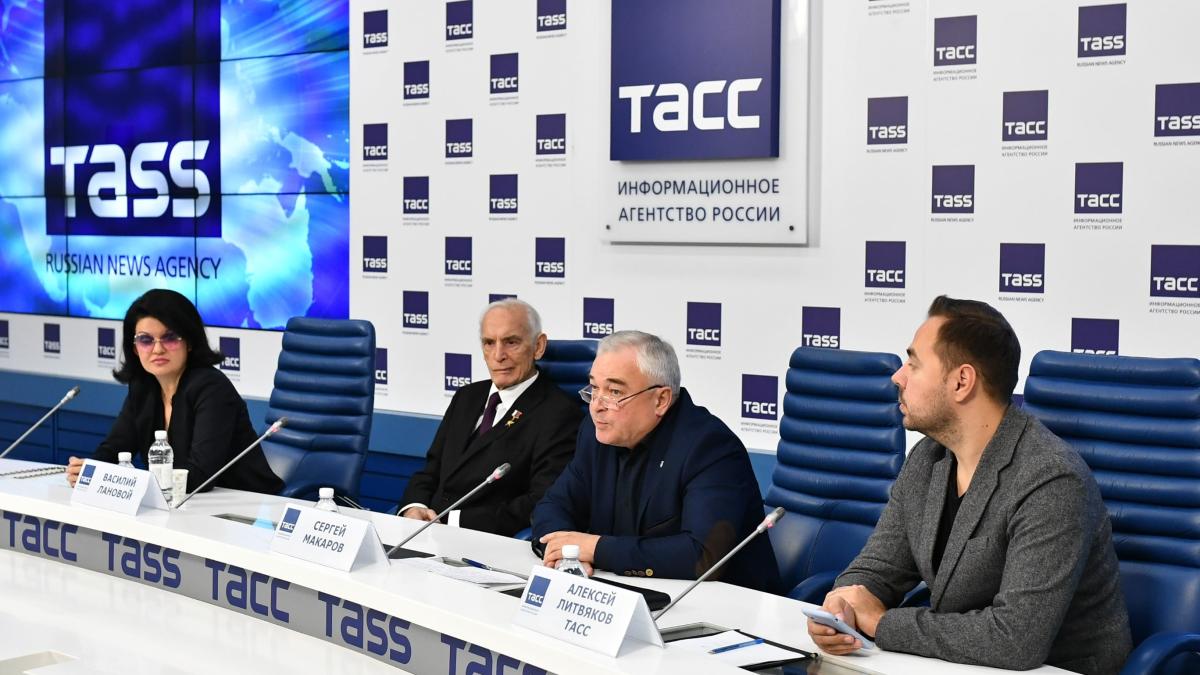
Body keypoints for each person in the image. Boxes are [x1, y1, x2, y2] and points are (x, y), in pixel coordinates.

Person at [808, 296, 1130, 674]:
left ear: (962, 382)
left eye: (914, 364)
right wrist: (843, 608)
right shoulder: (927, 458)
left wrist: (882, 623)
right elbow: (878, 569)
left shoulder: (1052, 479)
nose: (898, 377)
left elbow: (1016, 639)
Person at [532, 330, 781, 593]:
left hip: (721, 603)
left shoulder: (709, 447)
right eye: (594, 388)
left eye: (614, 391)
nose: (596, 406)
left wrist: (596, 549)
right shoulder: (597, 433)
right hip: (622, 593)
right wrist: (567, 554)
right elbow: (552, 506)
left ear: (660, 399)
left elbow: (702, 555)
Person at [66, 289, 283, 495]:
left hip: (245, 507)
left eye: (169, 338)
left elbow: (200, 476)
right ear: (134, 348)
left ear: (189, 342)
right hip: (183, 506)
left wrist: (130, 481)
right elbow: (114, 449)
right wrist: (90, 470)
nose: (157, 349)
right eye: (145, 340)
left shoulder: (212, 388)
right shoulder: (143, 386)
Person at [398, 298, 582, 536]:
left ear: (538, 346)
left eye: (511, 342)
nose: (498, 355)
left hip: (481, 541)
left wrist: (453, 520)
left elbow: (541, 499)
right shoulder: (466, 396)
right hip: (425, 532)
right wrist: (415, 507)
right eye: (489, 343)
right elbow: (432, 469)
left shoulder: (559, 414)